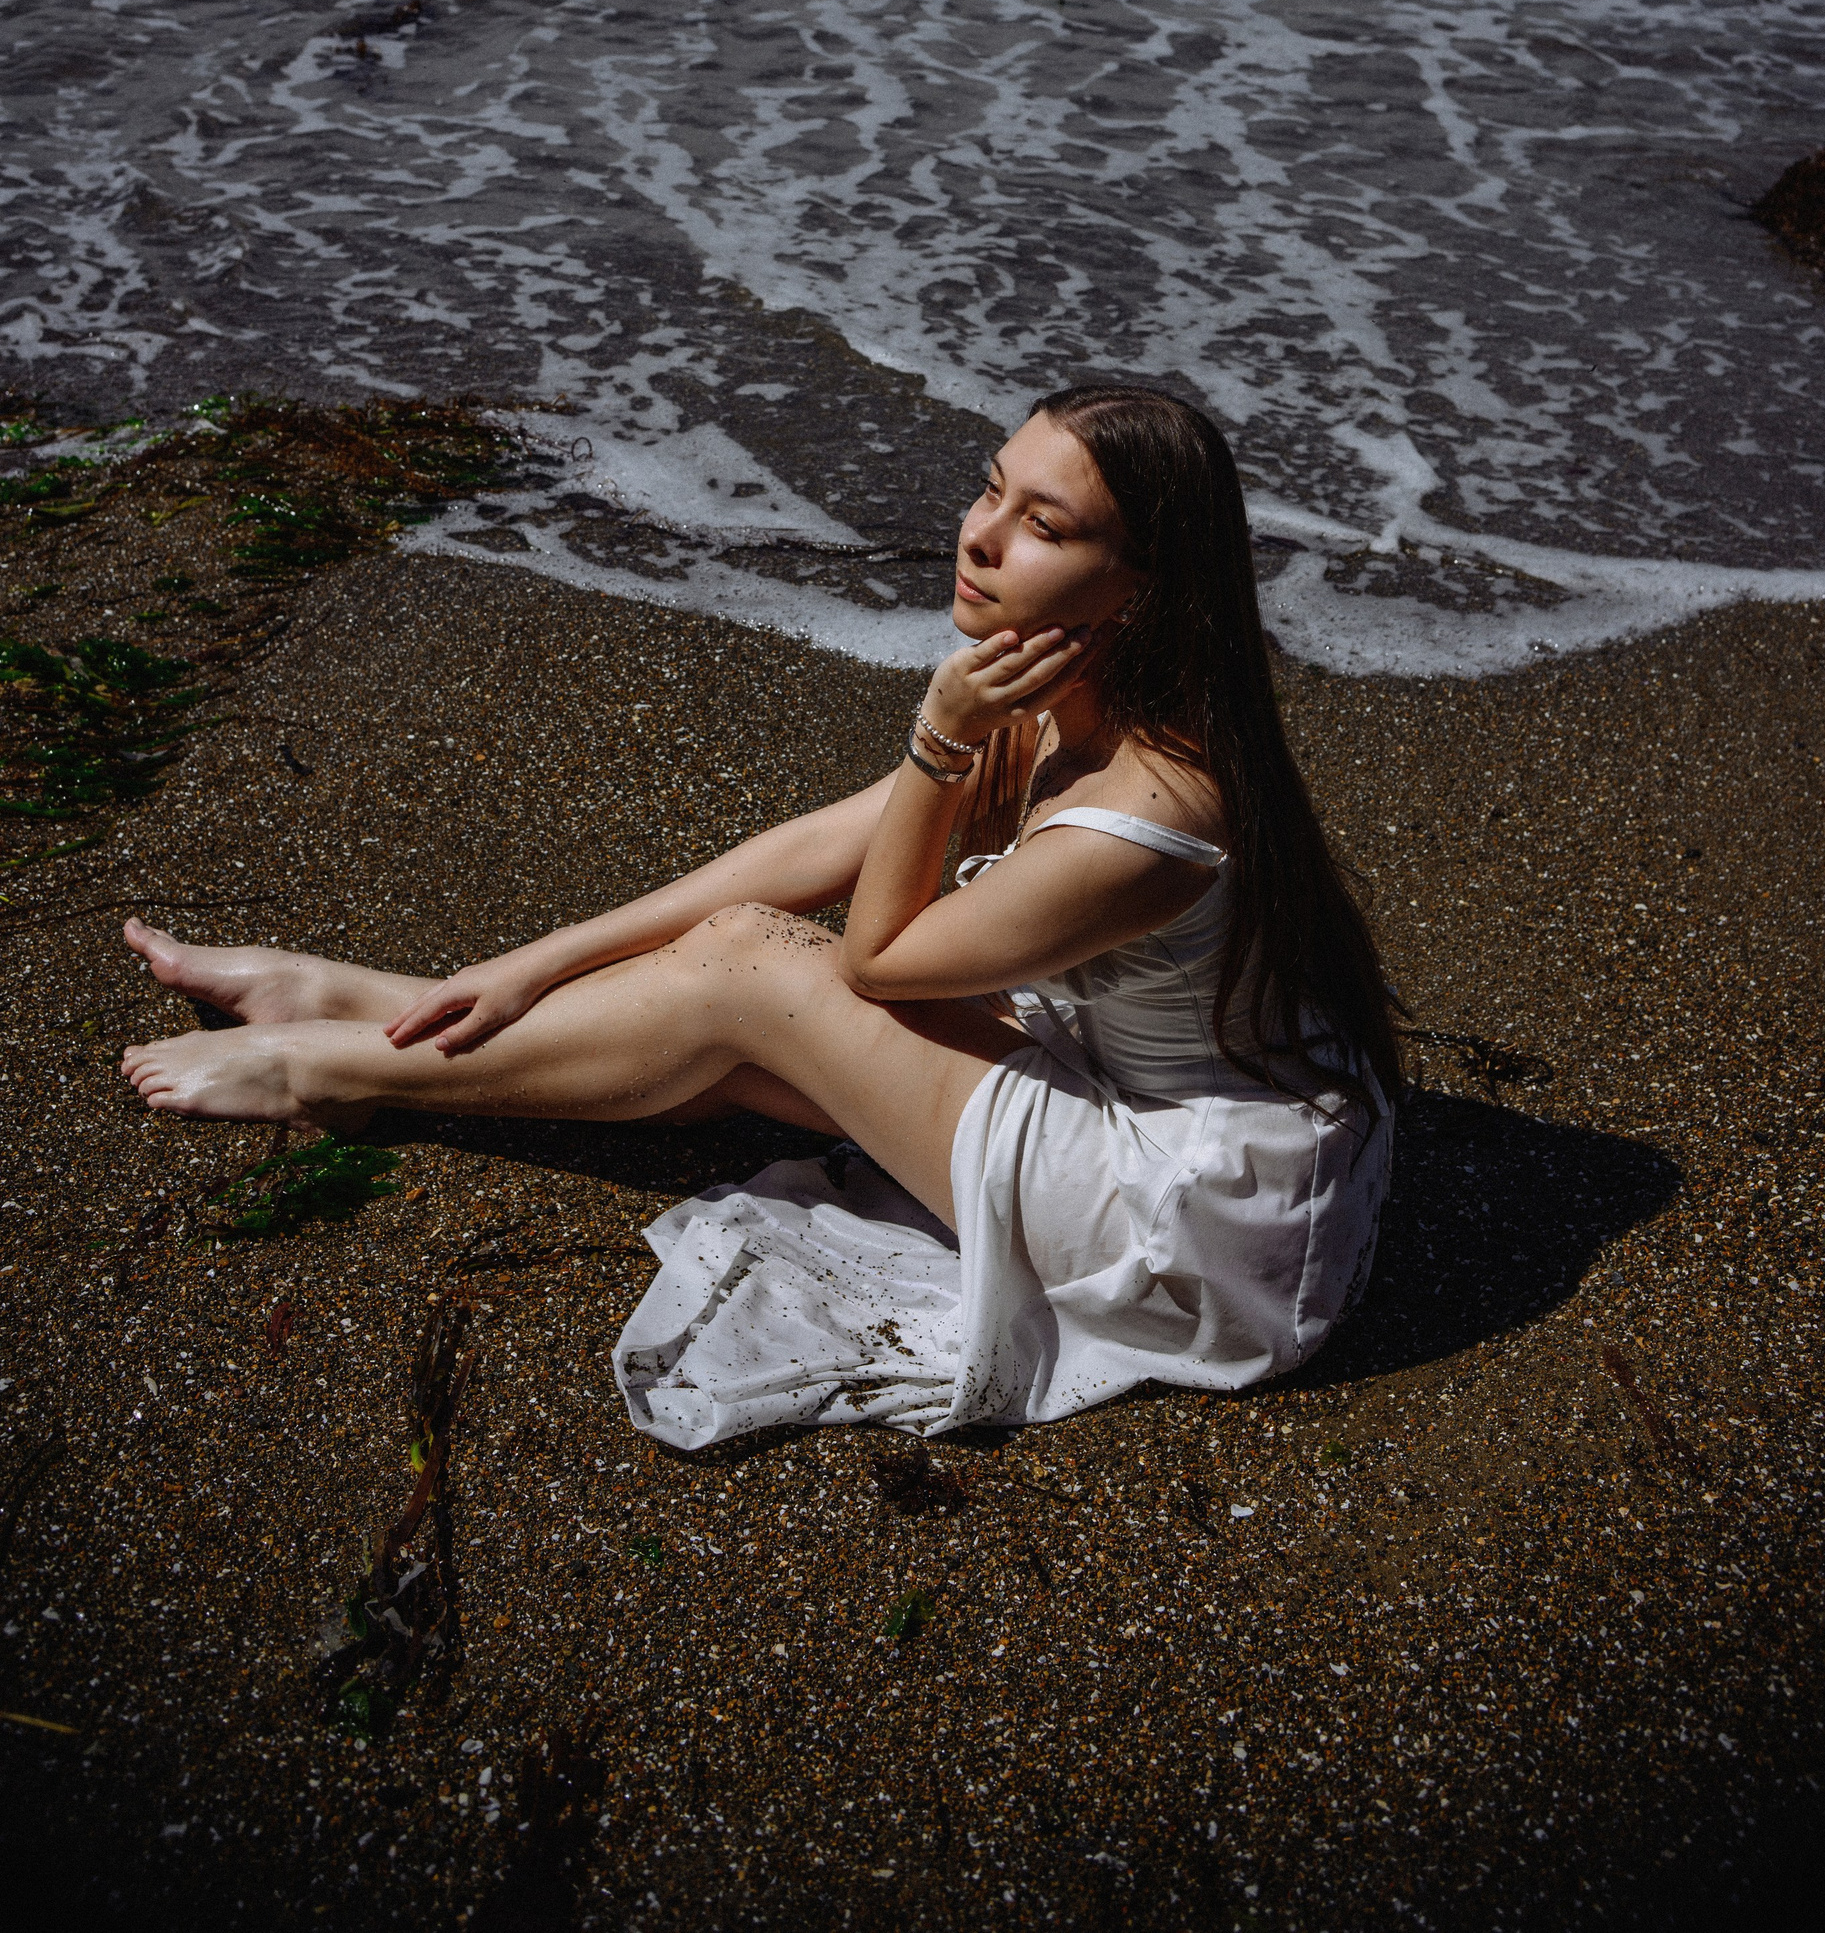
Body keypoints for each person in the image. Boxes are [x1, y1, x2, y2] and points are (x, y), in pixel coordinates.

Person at [121, 383, 1402, 1442]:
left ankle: (333, 1070)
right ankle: (386, 1009)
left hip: (1189, 1230)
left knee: (748, 976)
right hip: (1139, 1094)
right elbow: (809, 852)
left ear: (1141, 585)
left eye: (1044, 525)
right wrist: (530, 961)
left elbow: (876, 956)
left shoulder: (1151, 811)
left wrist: (939, 739)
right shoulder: (1076, 702)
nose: (980, 536)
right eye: (990, 489)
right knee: (730, 1019)